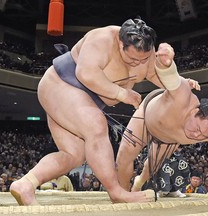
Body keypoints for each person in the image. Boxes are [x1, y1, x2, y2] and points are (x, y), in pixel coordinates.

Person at [9, 17, 176, 205]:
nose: (137, 64)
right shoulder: (102, 39)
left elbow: (156, 75)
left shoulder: (146, 50)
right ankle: (116, 192)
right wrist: (122, 93)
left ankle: (25, 184)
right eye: (131, 58)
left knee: (73, 156)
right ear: (121, 43)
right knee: (96, 124)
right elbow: (86, 73)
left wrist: (174, 77)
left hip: (78, 100)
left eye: (143, 59)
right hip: (61, 85)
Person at [116, 46, 208, 192]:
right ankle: (123, 194)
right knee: (124, 156)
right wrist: (165, 63)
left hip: (168, 139)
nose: (196, 135)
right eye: (197, 129)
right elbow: (171, 77)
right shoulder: (182, 95)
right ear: (195, 111)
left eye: (202, 136)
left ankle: (139, 182)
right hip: (146, 117)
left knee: (152, 167)